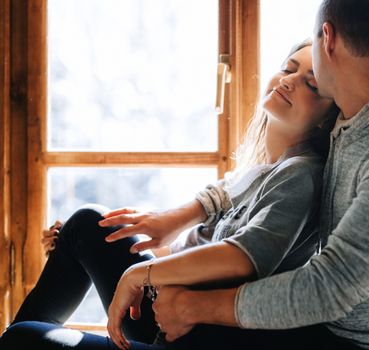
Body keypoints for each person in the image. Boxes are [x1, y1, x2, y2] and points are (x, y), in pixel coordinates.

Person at [113, 0, 369, 349]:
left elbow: (330, 287)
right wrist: (180, 217)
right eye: (288, 69)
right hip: (338, 334)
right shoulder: (360, 119)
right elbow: (254, 181)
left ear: (328, 37)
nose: (293, 79)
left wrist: (193, 306)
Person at [0, 40, 340, 349]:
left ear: (328, 117)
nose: (289, 80)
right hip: (165, 304)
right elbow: (188, 252)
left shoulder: (301, 174)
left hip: (187, 330)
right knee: (87, 224)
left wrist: (138, 274)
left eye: (310, 83)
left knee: (21, 338)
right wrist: (83, 249)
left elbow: (244, 259)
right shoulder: (257, 174)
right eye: (288, 68)